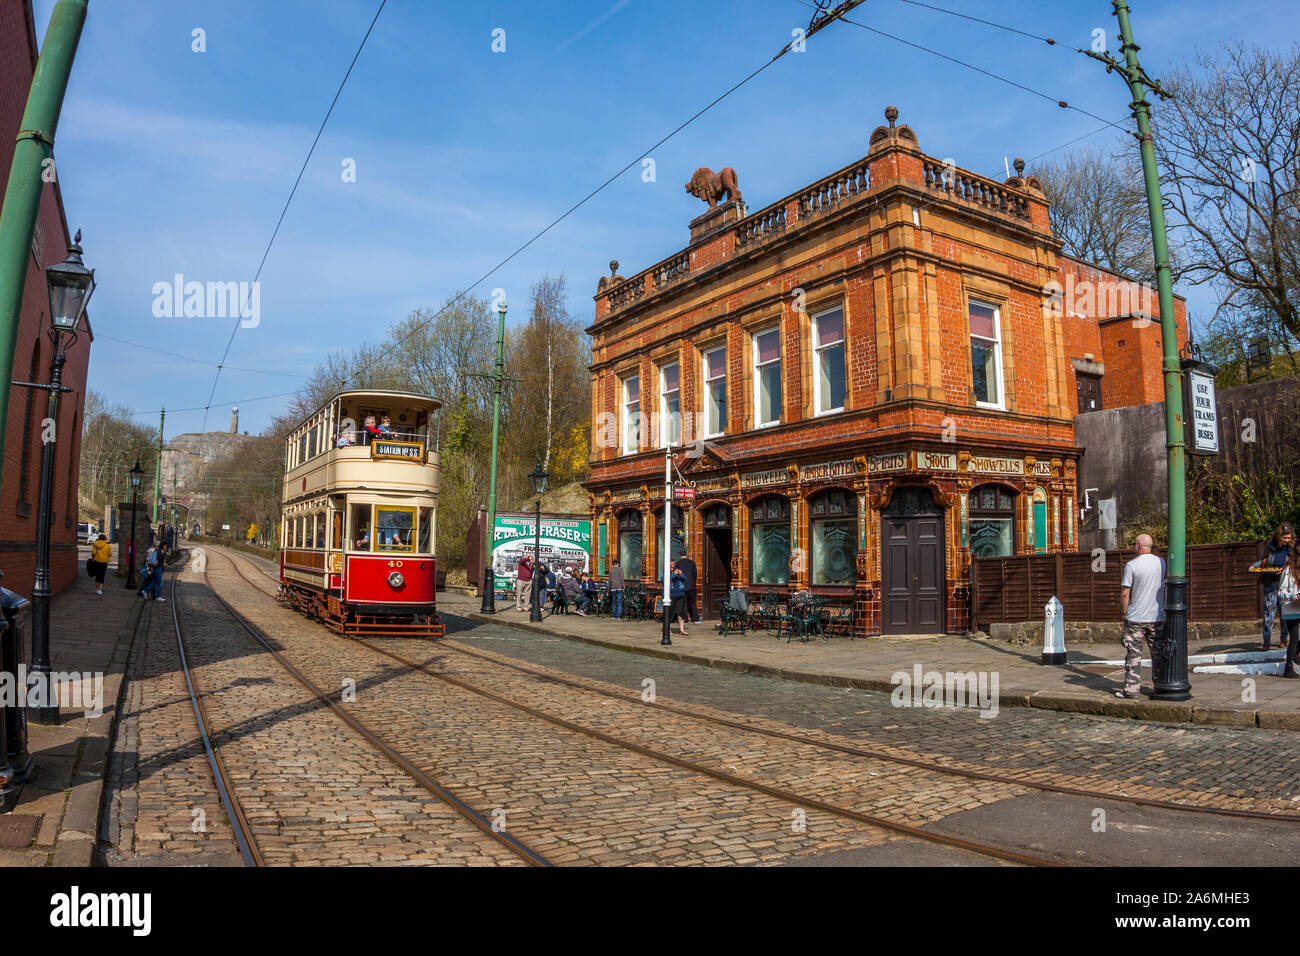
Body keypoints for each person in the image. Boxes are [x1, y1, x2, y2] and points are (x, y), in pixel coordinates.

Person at [1116, 533, 1165, 698]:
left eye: (1134, 544)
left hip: (1136, 617)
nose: (1132, 547)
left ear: (1139, 546)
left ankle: (1131, 690)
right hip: (1157, 616)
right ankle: (1160, 686)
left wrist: (1124, 612)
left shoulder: (1132, 565)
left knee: (1133, 656)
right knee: (1158, 654)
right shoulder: (1161, 562)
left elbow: (1125, 592)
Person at [1252, 523, 1294, 651]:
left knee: (1284, 612)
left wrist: (1285, 568)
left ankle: (1283, 639)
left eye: (1289, 538)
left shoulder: (1293, 547)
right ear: (1279, 536)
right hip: (1270, 581)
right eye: (1284, 538)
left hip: (1285, 583)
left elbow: (1296, 562)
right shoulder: (1271, 545)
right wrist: (1254, 565)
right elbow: (1264, 560)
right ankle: (1266, 640)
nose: (1287, 540)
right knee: (1269, 612)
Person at [1276, 549, 1300, 678]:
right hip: (1290, 609)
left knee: (1296, 641)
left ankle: (1295, 653)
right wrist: (1292, 596)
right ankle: (1288, 669)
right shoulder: (1288, 571)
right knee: (1294, 638)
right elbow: (1281, 592)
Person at [677, 554, 699, 623]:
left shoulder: (678, 563)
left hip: (682, 586)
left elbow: (676, 574)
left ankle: (685, 620)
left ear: (681, 555)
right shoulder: (692, 563)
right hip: (692, 586)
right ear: (687, 555)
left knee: (684, 603)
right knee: (693, 602)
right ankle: (696, 619)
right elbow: (695, 574)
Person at [668, 561, 689, 636]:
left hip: (681, 595)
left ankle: (682, 630)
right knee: (669, 614)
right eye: (671, 565)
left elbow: (685, 579)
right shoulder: (665, 572)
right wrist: (673, 574)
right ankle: (668, 630)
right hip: (671, 596)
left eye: (673, 565)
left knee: (681, 613)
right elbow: (665, 579)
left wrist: (681, 574)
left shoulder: (677, 572)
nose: (673, 566)